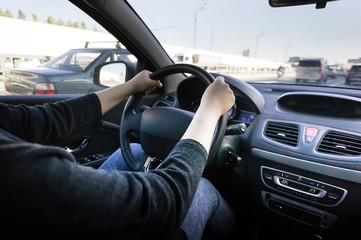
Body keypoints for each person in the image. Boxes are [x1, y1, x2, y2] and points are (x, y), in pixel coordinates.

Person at [0, 70, 236, 239]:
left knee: (135, 151)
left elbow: (43, 121)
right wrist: (209, 110)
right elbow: (162, 206)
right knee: (202, 188)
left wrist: (131, 86)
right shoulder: (14, 170)